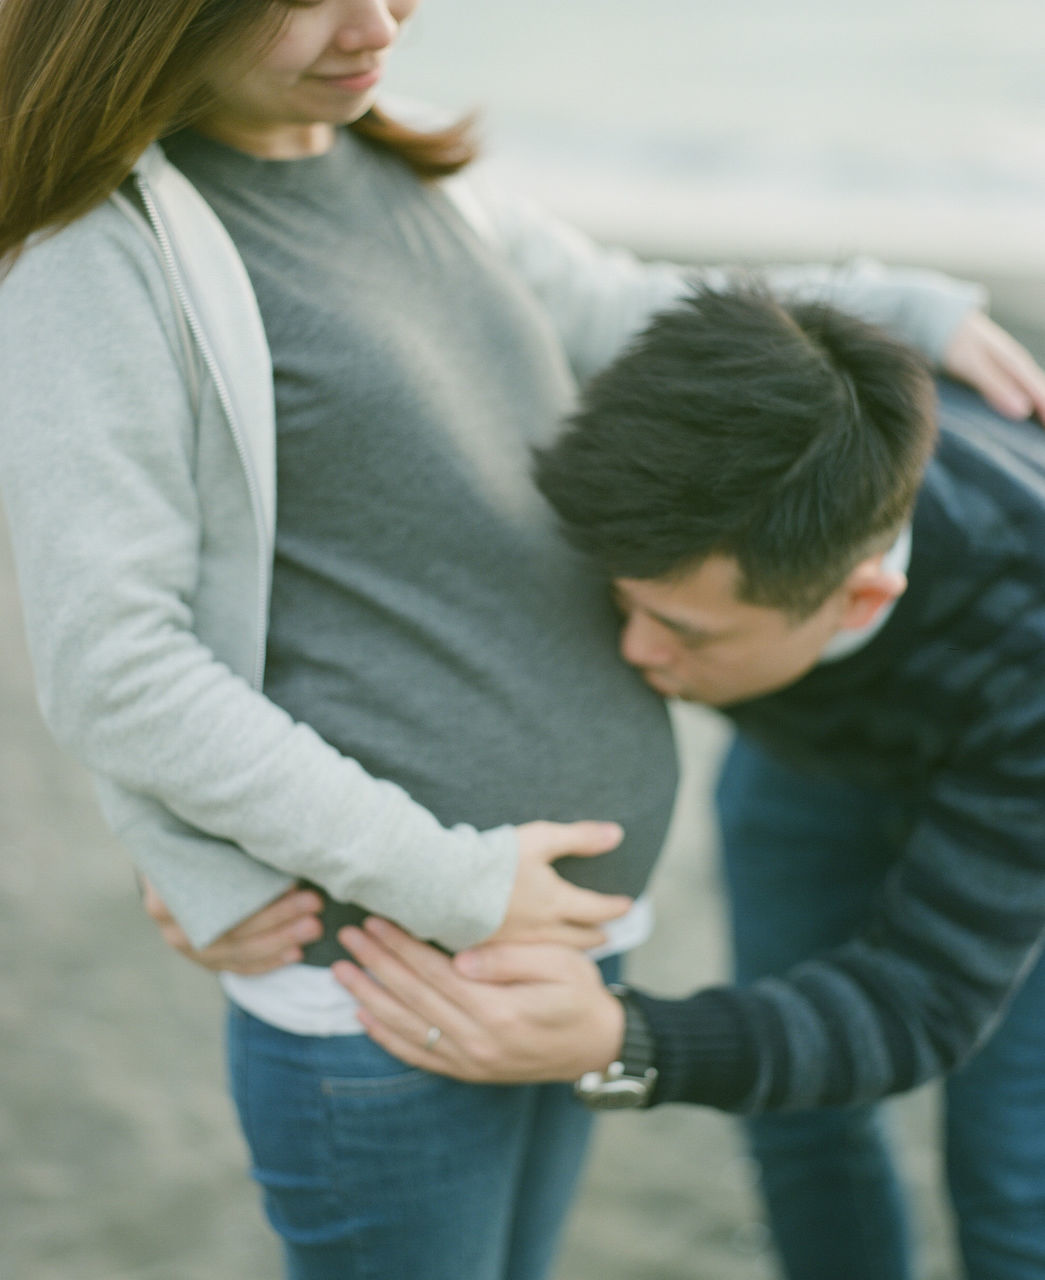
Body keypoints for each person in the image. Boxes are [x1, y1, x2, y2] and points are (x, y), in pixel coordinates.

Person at [1, 0, 1042, 1276]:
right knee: (795, 1151)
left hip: (583, 940)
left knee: (991, 1179)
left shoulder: (411, 168)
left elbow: (620, 305)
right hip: (405, 966)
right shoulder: (102, 258)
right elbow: (114, 659)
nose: (379, 20)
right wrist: (278, 853)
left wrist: (893, 313)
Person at [324, 287, 1045, 1280]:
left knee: (1010, 1171)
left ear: (857, 599)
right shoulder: (662, 464)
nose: (630, 647)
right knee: (799, 1125)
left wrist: (630, 1038)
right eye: (622, 598)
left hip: (1018, 751)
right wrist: (224, 830)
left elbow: (920, 1004)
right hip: (809, 756)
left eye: (683, 632)